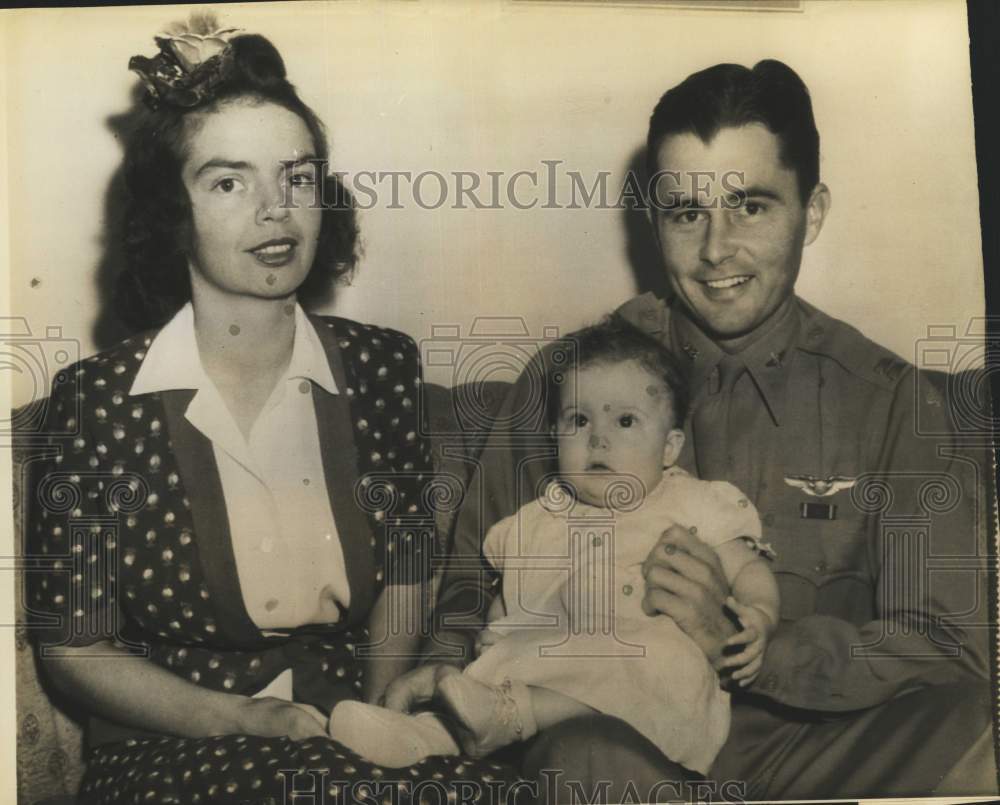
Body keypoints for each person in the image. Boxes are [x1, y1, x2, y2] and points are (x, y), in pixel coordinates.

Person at [386, 60, 997, 801]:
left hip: (816, 750)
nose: (715, 249)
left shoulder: (893, 400)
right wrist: (443, 671)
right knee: (583, 756)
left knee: (978, 727)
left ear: (812, 212)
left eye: (750, 206)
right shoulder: (568, 381)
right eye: (686, 213)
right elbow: (469, 582)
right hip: (617, 739)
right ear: (656, 222)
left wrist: (747, 646)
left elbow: (946, 645)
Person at [24, 18, 519, 803]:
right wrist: (240, 718)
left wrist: (373, 723)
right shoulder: (94, 403)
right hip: (174, 747)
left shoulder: (383, 367)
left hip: (345, 734)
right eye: (229, 182)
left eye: (297, 177)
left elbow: (406, 569)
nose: (275, 210)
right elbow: (74, 647)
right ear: (173, 210)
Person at [327, 317, 779, 773]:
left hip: (643, 679)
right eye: (578, 420)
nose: (598, 438)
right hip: (554, 660)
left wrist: (759, 615)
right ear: (553, 436)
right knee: (495, 668)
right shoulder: (534, 520)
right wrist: (496, 632)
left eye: (625, 421)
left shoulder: (692, 502)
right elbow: (510, 596)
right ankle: (422, 735)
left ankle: (500, 718)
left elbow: (747, 568)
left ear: (669, 447)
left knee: (663, 660)